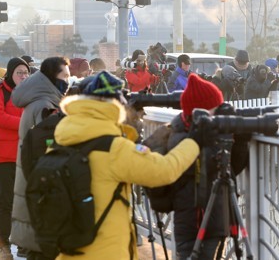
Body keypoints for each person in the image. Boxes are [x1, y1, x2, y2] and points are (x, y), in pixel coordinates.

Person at [54, 71, 204, 260]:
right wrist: (194, 141)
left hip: (70, 249)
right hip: (105, 252)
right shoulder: (113, 148)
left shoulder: (65, 138)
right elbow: (163, 171)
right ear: (114, 105)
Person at [143, 73, 248, 260]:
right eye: (216, 110)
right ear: (200, 114)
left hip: (213, 218)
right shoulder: (182, 138)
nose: (219, 115)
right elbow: (203, 166)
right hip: (196, 223)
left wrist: (239, 140)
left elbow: (231, 169)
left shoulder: (193, 131)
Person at [10, 56, 71, 260]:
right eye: (65, 76)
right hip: (41, 188)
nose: (68, 81)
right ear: (51, 78)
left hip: (33, 184)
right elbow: (45, 151)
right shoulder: (45, 105)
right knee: (41, 249)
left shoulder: (41, 101)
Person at [0, 57, 30, 260]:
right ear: (10, 73)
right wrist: (26, 123)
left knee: (26, 202)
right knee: (5, 202)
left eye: (26, 72)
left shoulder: (31, 93)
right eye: (19, 72)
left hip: (27, 155)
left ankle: (23, 244)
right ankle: (3, 246)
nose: (23, 76)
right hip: (3, 157)